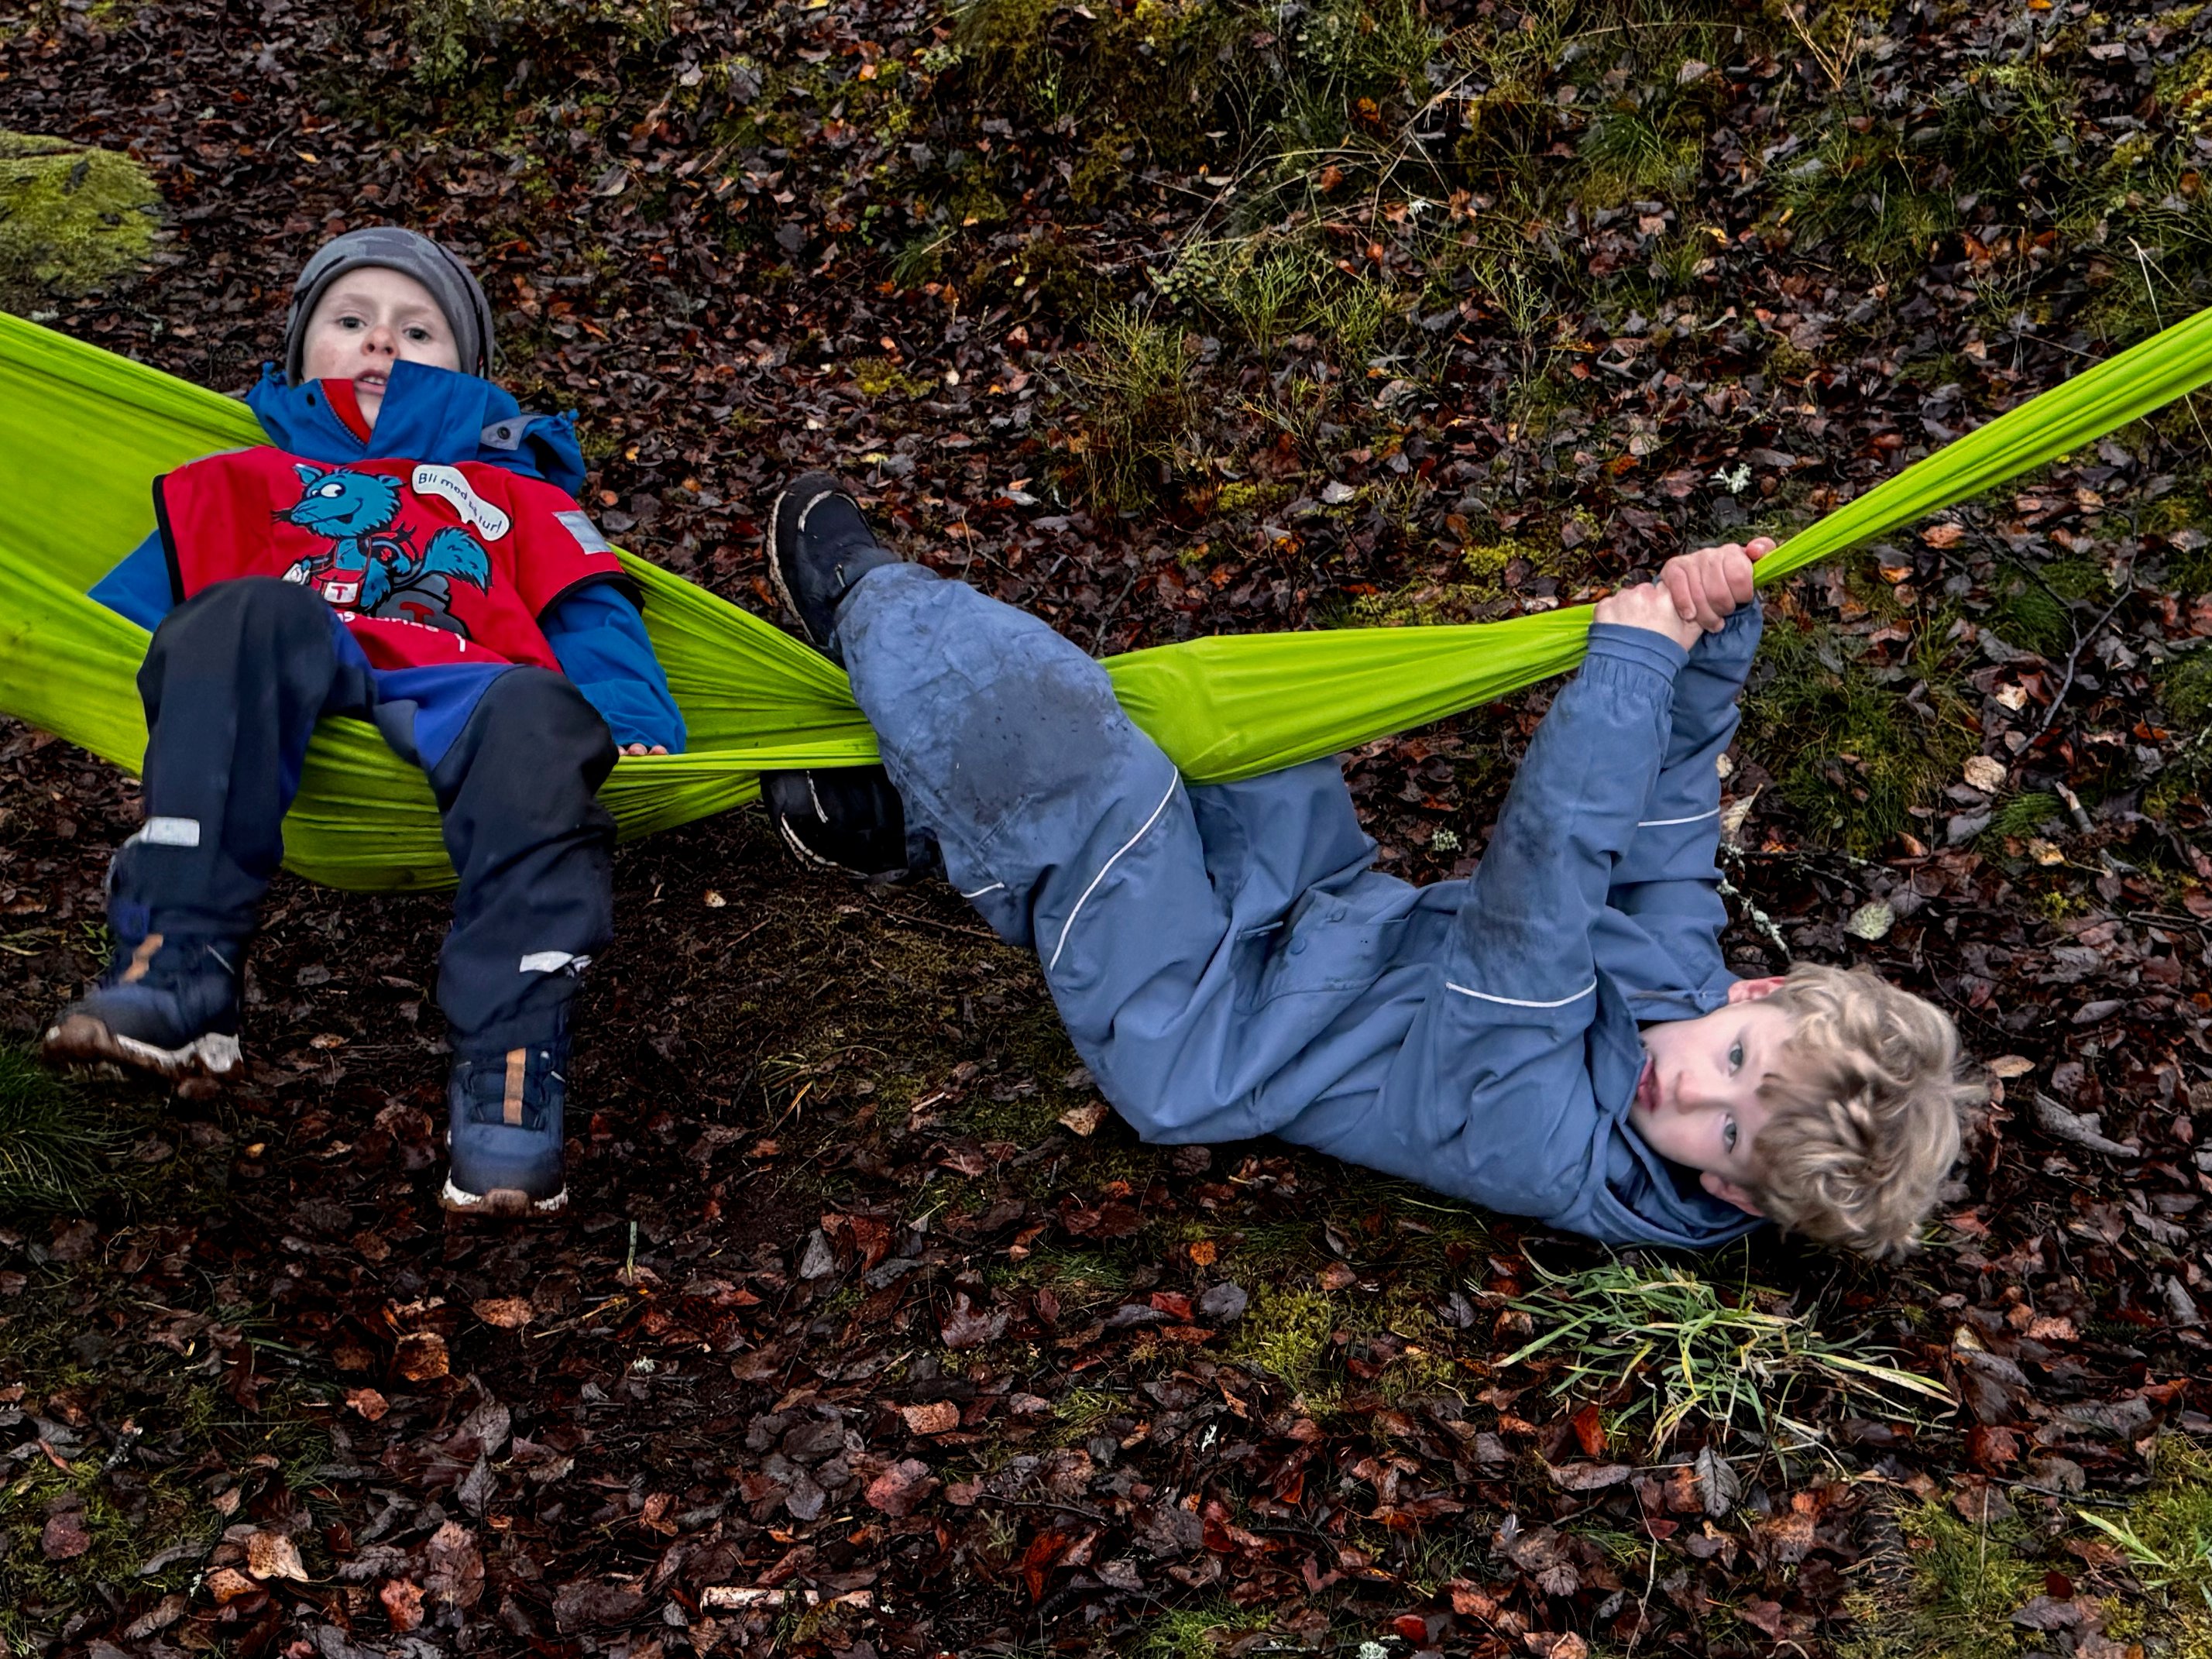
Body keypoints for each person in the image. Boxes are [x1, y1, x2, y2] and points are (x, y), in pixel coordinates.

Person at [754, 476, 1980, 1256]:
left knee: (1107, 796)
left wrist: (1626, 670)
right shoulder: (1681, 982)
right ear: (1754, 997)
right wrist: (1708, 639)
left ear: (1734, 1201)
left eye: (1722, 1138)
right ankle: (903, 820)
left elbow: (1538, 910)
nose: (1687, 1100)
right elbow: (1662, 824)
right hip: (1318, 914)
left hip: (1204, 1021)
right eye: (1732, 1067)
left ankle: (879, 609)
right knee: (1244, 733)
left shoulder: (1547, 1147)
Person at [42, 225, 687, 1218]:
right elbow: (104, 625)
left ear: (467, 371)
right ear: (299, 355)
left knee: (542, 722)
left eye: (417, 331)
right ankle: (177, 966)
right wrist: (42, 655)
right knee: (233, 615)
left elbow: (590, 616)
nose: (381, 344)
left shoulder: (515, 490)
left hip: (467, 678)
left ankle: (509, 1076)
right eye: (351, 322)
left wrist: (636, 722)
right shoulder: (235, 477)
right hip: (279, 656)